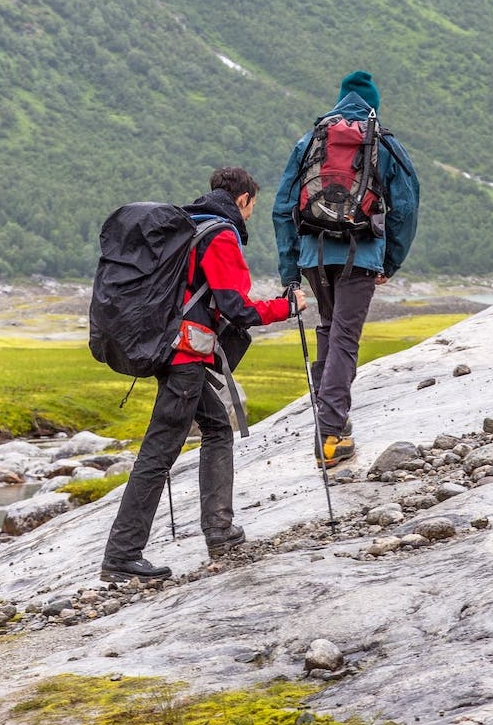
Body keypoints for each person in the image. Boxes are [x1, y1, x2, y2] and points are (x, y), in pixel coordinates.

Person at [100, 167, 306, 583]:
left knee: (216, 429)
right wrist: (289, 307)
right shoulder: (220, 235)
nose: (249, 215)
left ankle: (220, 530)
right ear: (244, 199)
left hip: (168, 348)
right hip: (185, 359)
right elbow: (238, 308)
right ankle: (122, 555)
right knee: (158, 455)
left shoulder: (189, 225)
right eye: (252, 207)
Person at [273, 71, 420, 468]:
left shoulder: (311, 142)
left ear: (340, 100)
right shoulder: (383, 143)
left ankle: (332, 421)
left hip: (313, 257)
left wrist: (290, 272)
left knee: (328, 329)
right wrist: (390, 261)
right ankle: (330, 434)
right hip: (361, 256)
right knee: (345, 338)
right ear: (373, 104)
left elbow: (282, 208)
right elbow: (405, 208)